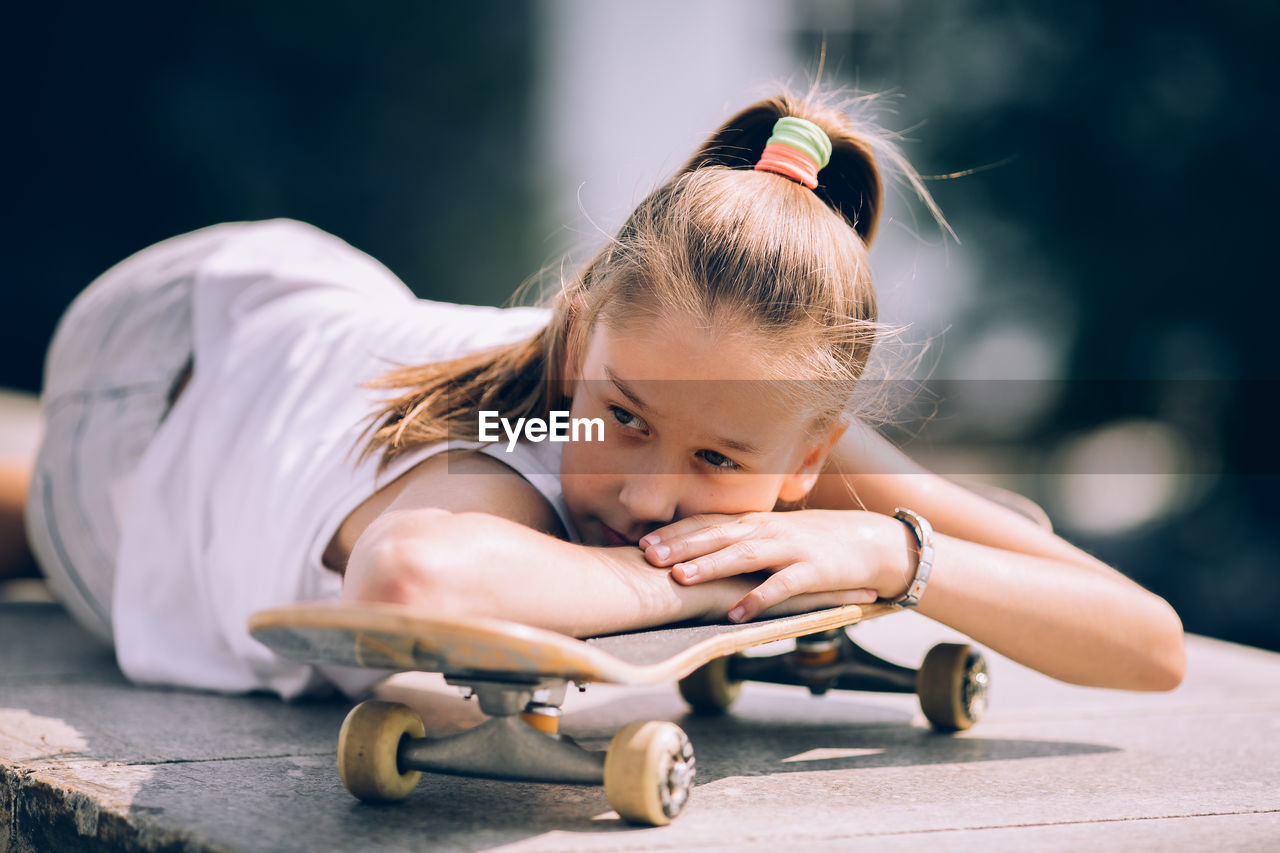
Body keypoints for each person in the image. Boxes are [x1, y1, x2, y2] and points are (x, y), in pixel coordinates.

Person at [16, 93, 1185, 700]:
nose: (644, 486)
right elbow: (412, 572)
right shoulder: (534, 431)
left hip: (271, 380)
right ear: (576, 336)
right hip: (166, 387)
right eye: (624, 413)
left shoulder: (776, 424)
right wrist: (682, 575)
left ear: (807, 449)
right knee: (28, 503)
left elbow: (1145, 641)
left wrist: (890, 549)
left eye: (718, 465)